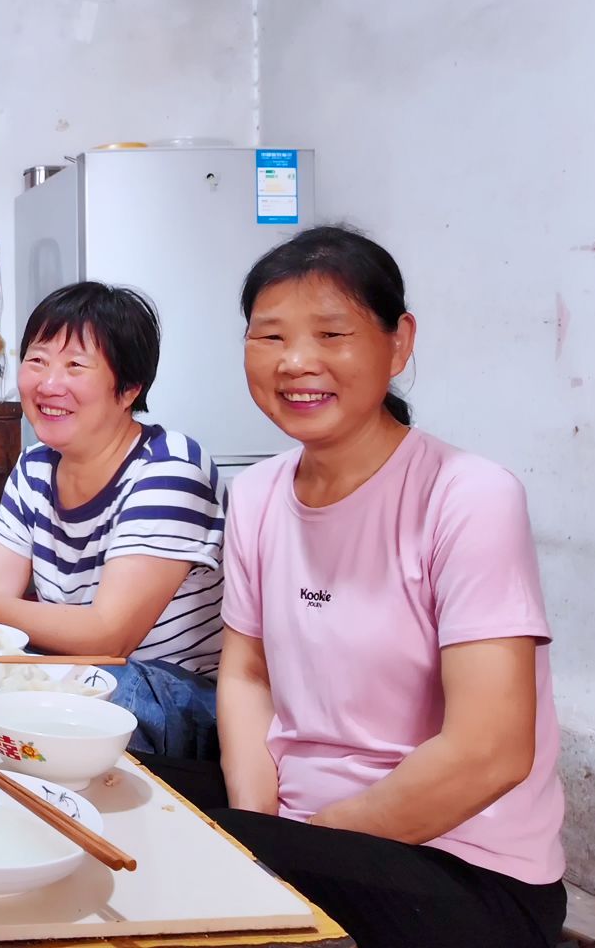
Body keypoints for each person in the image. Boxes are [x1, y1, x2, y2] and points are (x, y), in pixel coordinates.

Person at [154, 225, 566, 947]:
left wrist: (281, 850)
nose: (297, 362)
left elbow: (491, 751)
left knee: (170, 862)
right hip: (297, 828)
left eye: (331, 333)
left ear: (398, 342)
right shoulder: (254, 495)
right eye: (271, 337)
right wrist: (258, 827)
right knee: (102, 788)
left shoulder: (467, 495)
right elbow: (247, 675)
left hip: (458, 867)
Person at [0, 281, 227, 759]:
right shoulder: (36, 466)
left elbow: (110, 637)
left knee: (21, 698)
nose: (49, 384)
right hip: (73, 671)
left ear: (129, 387)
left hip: (170, 692)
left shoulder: (169, 467)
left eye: (75, 365)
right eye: (37, 360)